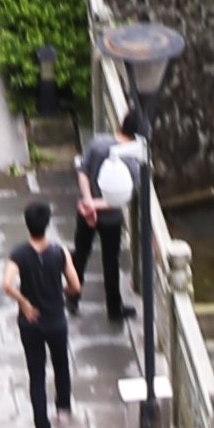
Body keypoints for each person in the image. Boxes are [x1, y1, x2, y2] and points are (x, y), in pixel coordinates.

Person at [2, 196, 78, 428]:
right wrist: (60, 291)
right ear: (47, 224)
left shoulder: (19, 254)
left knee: (36, 373)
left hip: (31, 323)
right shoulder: (60, 253)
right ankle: (63, 410)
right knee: (61, 364)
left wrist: (24, 302)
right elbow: (75, 286)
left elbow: (6, 284)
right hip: (55, 319)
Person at [73, 117, 136, 328]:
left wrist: (88, 202)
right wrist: (97, 206)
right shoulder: (131, 160)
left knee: (80, 253)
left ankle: (72, 296)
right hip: (110, 219)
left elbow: (83, 171)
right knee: (111, 263)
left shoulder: (98, 142)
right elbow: (122, 197)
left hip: (85, 210)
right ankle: (114, 308)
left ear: (120, 125)